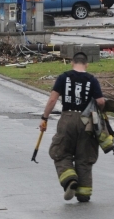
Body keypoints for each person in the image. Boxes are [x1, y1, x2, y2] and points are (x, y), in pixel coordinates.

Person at [40, 52, 105, 203]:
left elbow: (52, 100)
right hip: (86, 120)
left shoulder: (64, 77)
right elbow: (101, 101)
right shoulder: (92, 80)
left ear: (72, 63)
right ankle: (84, 194)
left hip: (67, 118)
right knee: (85, 157)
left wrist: (45, 118)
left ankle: (69, 180)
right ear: (86, 64)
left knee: (60, 152)